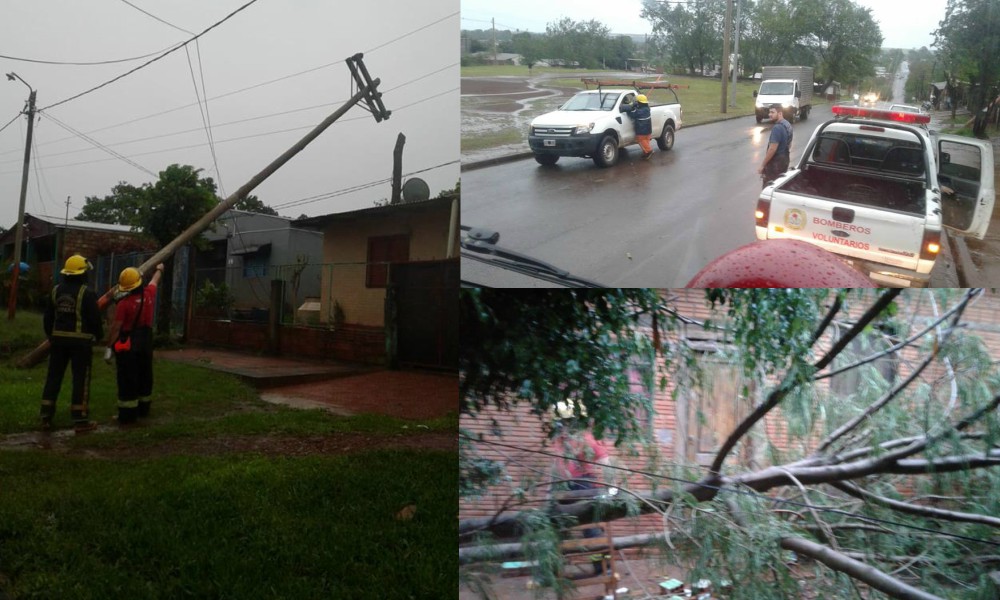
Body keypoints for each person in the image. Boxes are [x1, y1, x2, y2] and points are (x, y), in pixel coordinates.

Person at [41, 255, 104, 433]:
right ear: (82, 273)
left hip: (58, 341)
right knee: (80, 379)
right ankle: (80, 419)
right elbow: (94, 319)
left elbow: (48, 317)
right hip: (80, 343)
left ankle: (46, 416)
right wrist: (98, 336)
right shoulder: (87, 293)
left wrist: (51, 336)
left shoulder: (56, 290)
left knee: (53, 377)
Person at [105, 263, 163, 425]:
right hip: (146, 341)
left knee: (127, 377)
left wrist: (109, 347)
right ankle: (144, 409)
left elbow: (116, 327)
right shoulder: (149, 295)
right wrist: (159, 269)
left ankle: (127, 414)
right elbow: (155, 281)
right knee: (145, 374)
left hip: (128, 343)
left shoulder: (124, 303)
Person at [758, 104, 793, 188]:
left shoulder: (777, 128)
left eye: (772, 112)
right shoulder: (788, 125)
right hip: (785, 160)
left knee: (768, 188)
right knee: (779, 186)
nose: (769, 114)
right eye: (769, 112)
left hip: (775, 163)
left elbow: (772, 149)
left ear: (780, 113)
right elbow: (790, 144)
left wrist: (763, 165)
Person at [624, 93, 654, 160]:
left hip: (642, 131)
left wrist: (628, 109)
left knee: (641, 141)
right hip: (648, 130)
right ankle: (646, 152)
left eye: (637, 102)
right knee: (646, 141)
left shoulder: (639, 111)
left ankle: (649, 151)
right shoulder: (647, 109)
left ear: (639, 103)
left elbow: (632, 115)